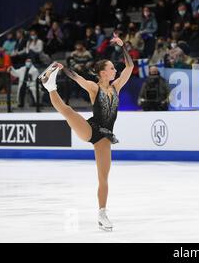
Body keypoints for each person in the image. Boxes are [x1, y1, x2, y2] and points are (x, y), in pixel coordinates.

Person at [37, 33, 134, 231]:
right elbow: (78, 78)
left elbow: (130, 67)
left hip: (105, 137)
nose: (115, 70)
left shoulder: (116, 87)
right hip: (91, 129)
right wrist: (65, 69)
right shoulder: (93, 87)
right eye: (112, 68)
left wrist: (123, 46)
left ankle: (102, 213)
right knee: (68, 111)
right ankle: (49, 86)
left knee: (103, 178)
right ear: (102, 72)